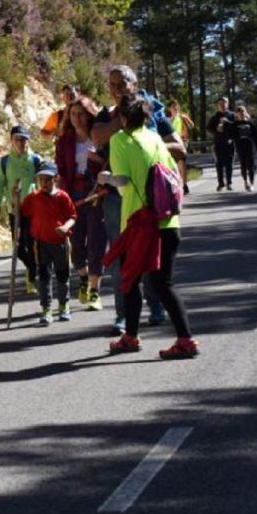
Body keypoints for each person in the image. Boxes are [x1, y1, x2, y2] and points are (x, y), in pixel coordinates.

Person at [104, 96, 199, 359]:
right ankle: (169, 337)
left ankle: (175, 340)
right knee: (162, 283)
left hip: (138, 223)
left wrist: (105, 178)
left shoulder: (119, 140)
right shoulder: (155, 137)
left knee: (131, 279)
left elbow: (123, 182)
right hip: (167, 220)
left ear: (122, 118)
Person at [91, 65, 184, 334]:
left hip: (152, 198)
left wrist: (145, 147)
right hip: (116, 197)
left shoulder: (154, 108)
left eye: (122, 84)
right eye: (112, 85)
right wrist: (124, 119)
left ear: (135, 84)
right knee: (122, 258)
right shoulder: (106, 114)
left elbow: (179, 147)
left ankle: (155, 307)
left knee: (151, 257)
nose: (116, 89)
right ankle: (123, 316)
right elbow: (97, 137)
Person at [55, 97, 106, 308]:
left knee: (96, 241)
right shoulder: (64, 140)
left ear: (89, 114)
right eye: (73, 114)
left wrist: (99, 160)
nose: (77, 118)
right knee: (76, 245)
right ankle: (84, 278)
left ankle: (95, 291)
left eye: (81, 113)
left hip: (96, 193)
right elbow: (59, 169)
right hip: (73, 195)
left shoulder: (99, 137)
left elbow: (112, 162)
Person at [20, 162, 76, 324]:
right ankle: (46, 309)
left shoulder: (63, 197)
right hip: (41, 243)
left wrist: (65, 227)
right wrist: (16, 197)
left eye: (48, 179)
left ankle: (64, 306)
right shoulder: (33, 198)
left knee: (62, 276)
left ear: (56, 179)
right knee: (44, 277)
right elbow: (21, 210)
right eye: (41, 179)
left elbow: (72, 216)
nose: (44, 183)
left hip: (60, 243)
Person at [0, 125, 40, 295]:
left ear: (28, 140)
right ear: (11, 141)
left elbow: (42, 183)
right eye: (17, 139)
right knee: (18, 248)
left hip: (32, 211)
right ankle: (32, 268)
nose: (21, 143)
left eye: (24, 139)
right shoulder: (5, 162)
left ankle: (31, 279)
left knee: (30, 243)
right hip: (14, 210)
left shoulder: (35, 160)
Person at [207, 97, 236, 191]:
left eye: (224, 103)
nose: (222, 105)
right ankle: (221, 183)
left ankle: (229, 183)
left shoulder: (232, 115)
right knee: (219, 164)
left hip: (230, 142)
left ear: (228, 104)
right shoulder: (214, 117)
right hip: (218, 143)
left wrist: (228, 122)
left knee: (229, 164)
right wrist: (216, 128)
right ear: (218, 105)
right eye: (220, 104)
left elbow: (237, 127)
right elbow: (209, 128)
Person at [166, 100, 196, 194]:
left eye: (177, 106)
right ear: (169, 108)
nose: (175, 107)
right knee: (174, 164)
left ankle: (184, 184)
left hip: (182, 141)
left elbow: (192, 126)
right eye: (173, 106)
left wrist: (186, 120)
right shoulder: (168, 120)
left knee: (182, 162)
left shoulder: (182, 117)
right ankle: (177, 183)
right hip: (172, 143)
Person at [232, 105, 257, 191]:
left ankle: (251, 183)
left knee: (251, 165)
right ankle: (245, 181)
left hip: (250, 146)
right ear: (237, 114)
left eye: (243, 111)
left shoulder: (251, 123)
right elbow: (232, 135)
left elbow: (256, 135)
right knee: (243, 165)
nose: (241, 113)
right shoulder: (235, 124)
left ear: (245, 112)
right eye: (239, 112)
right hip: (240, 147)